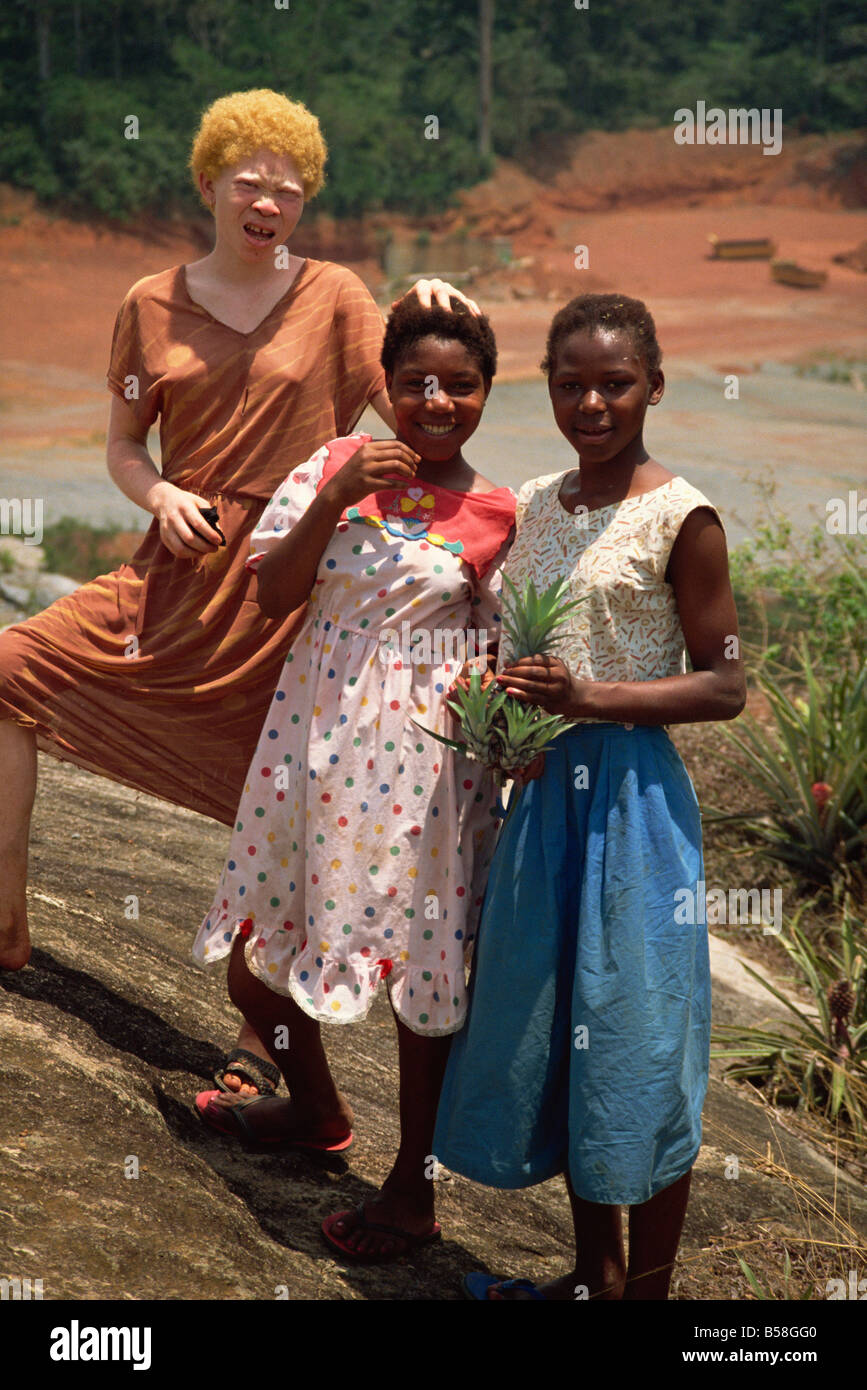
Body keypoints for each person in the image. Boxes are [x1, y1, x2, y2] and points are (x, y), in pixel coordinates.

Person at [0, 87, 475, 1093]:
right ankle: (5, 922)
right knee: (10, 667)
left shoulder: (341, 298)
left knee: (283, 817)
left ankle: (269, 1052)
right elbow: (126, 448)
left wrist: (431, 313)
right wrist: (161, 491)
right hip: (172, 571)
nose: (269, 203)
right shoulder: (147, 303)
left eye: (290, 191)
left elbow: (423, 418)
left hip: (290, 590)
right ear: (209, 181)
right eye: (251, 183)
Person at [432, 293, 747, 1300]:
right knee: (564, 1021)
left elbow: (726, 681)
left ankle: (647, 1295)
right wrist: (502, 712)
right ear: (550, 388)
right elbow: (524, 642)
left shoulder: (682, 515)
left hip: (634, 801)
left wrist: (590, 696)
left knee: (638, 1041)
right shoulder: (534, 503)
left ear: (654, 384)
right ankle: (595, 1274)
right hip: (546, 798)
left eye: (616, 382)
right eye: (572, 384)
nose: (593, 402)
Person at [193, 297, 516, 1261]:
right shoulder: (330, 467)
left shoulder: (500, 512)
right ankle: (319, 1112)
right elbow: (271, 593)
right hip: (310, 738)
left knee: (420, 979)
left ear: (486, 394)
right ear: (385, 385)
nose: (435, 400)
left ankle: (413, 1189)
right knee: (260, 958)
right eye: (415, 381)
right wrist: (337, 497)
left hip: (421, 767)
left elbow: (500, 648)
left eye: (459, 385)